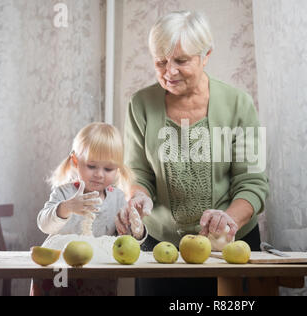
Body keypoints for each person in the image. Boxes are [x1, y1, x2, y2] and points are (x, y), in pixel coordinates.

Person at [119, 11, 269, 296]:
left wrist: (229, 220)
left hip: (229, 246)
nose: (169, 71)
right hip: (159, 246)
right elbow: (137, 171)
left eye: (181, 61)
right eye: (160, 62)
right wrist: (137, 196)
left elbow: (253, 182)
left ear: (206, 55)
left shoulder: (240, 103)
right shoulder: (139, 104)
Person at [31, 122, 147, 296]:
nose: (99, 174)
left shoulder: (117, 198)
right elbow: (44, 224)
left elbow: (126, 245)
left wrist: (136, 231)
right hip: (59, 271)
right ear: (75, 161)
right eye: (91, 166)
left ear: (118, 169)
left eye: (108, 168)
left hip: (98, 275)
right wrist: (67, 207)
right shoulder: (64, 192)